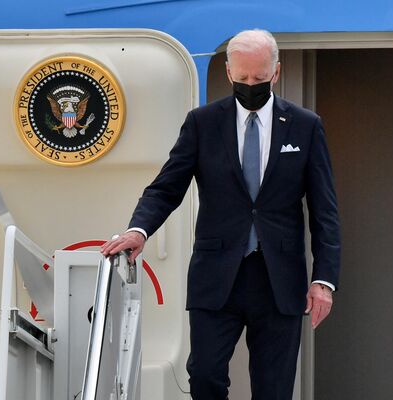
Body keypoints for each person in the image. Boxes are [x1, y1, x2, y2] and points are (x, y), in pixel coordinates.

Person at [100, 29, 340, 400]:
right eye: (242, 77)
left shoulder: (305, 126)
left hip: (279, 279)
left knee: (274, 389)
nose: (250, 84)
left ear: (276, 72)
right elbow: (167, 187)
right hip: (217, 276)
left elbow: (325, 210)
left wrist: (324, 280)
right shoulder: (203, 123)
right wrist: (139, 230)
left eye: (259, 78)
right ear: (228, 72)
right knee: (205, 376)